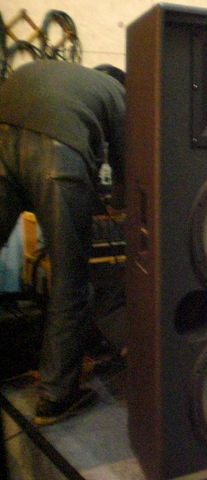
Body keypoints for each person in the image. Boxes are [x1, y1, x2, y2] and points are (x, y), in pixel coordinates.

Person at [0, 60, 125, 425]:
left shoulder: (61, 74)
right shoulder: (119, 94)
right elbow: (129, 170)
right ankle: (56, 397)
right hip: (57, 153)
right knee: (71, 281)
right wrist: (119, 208)